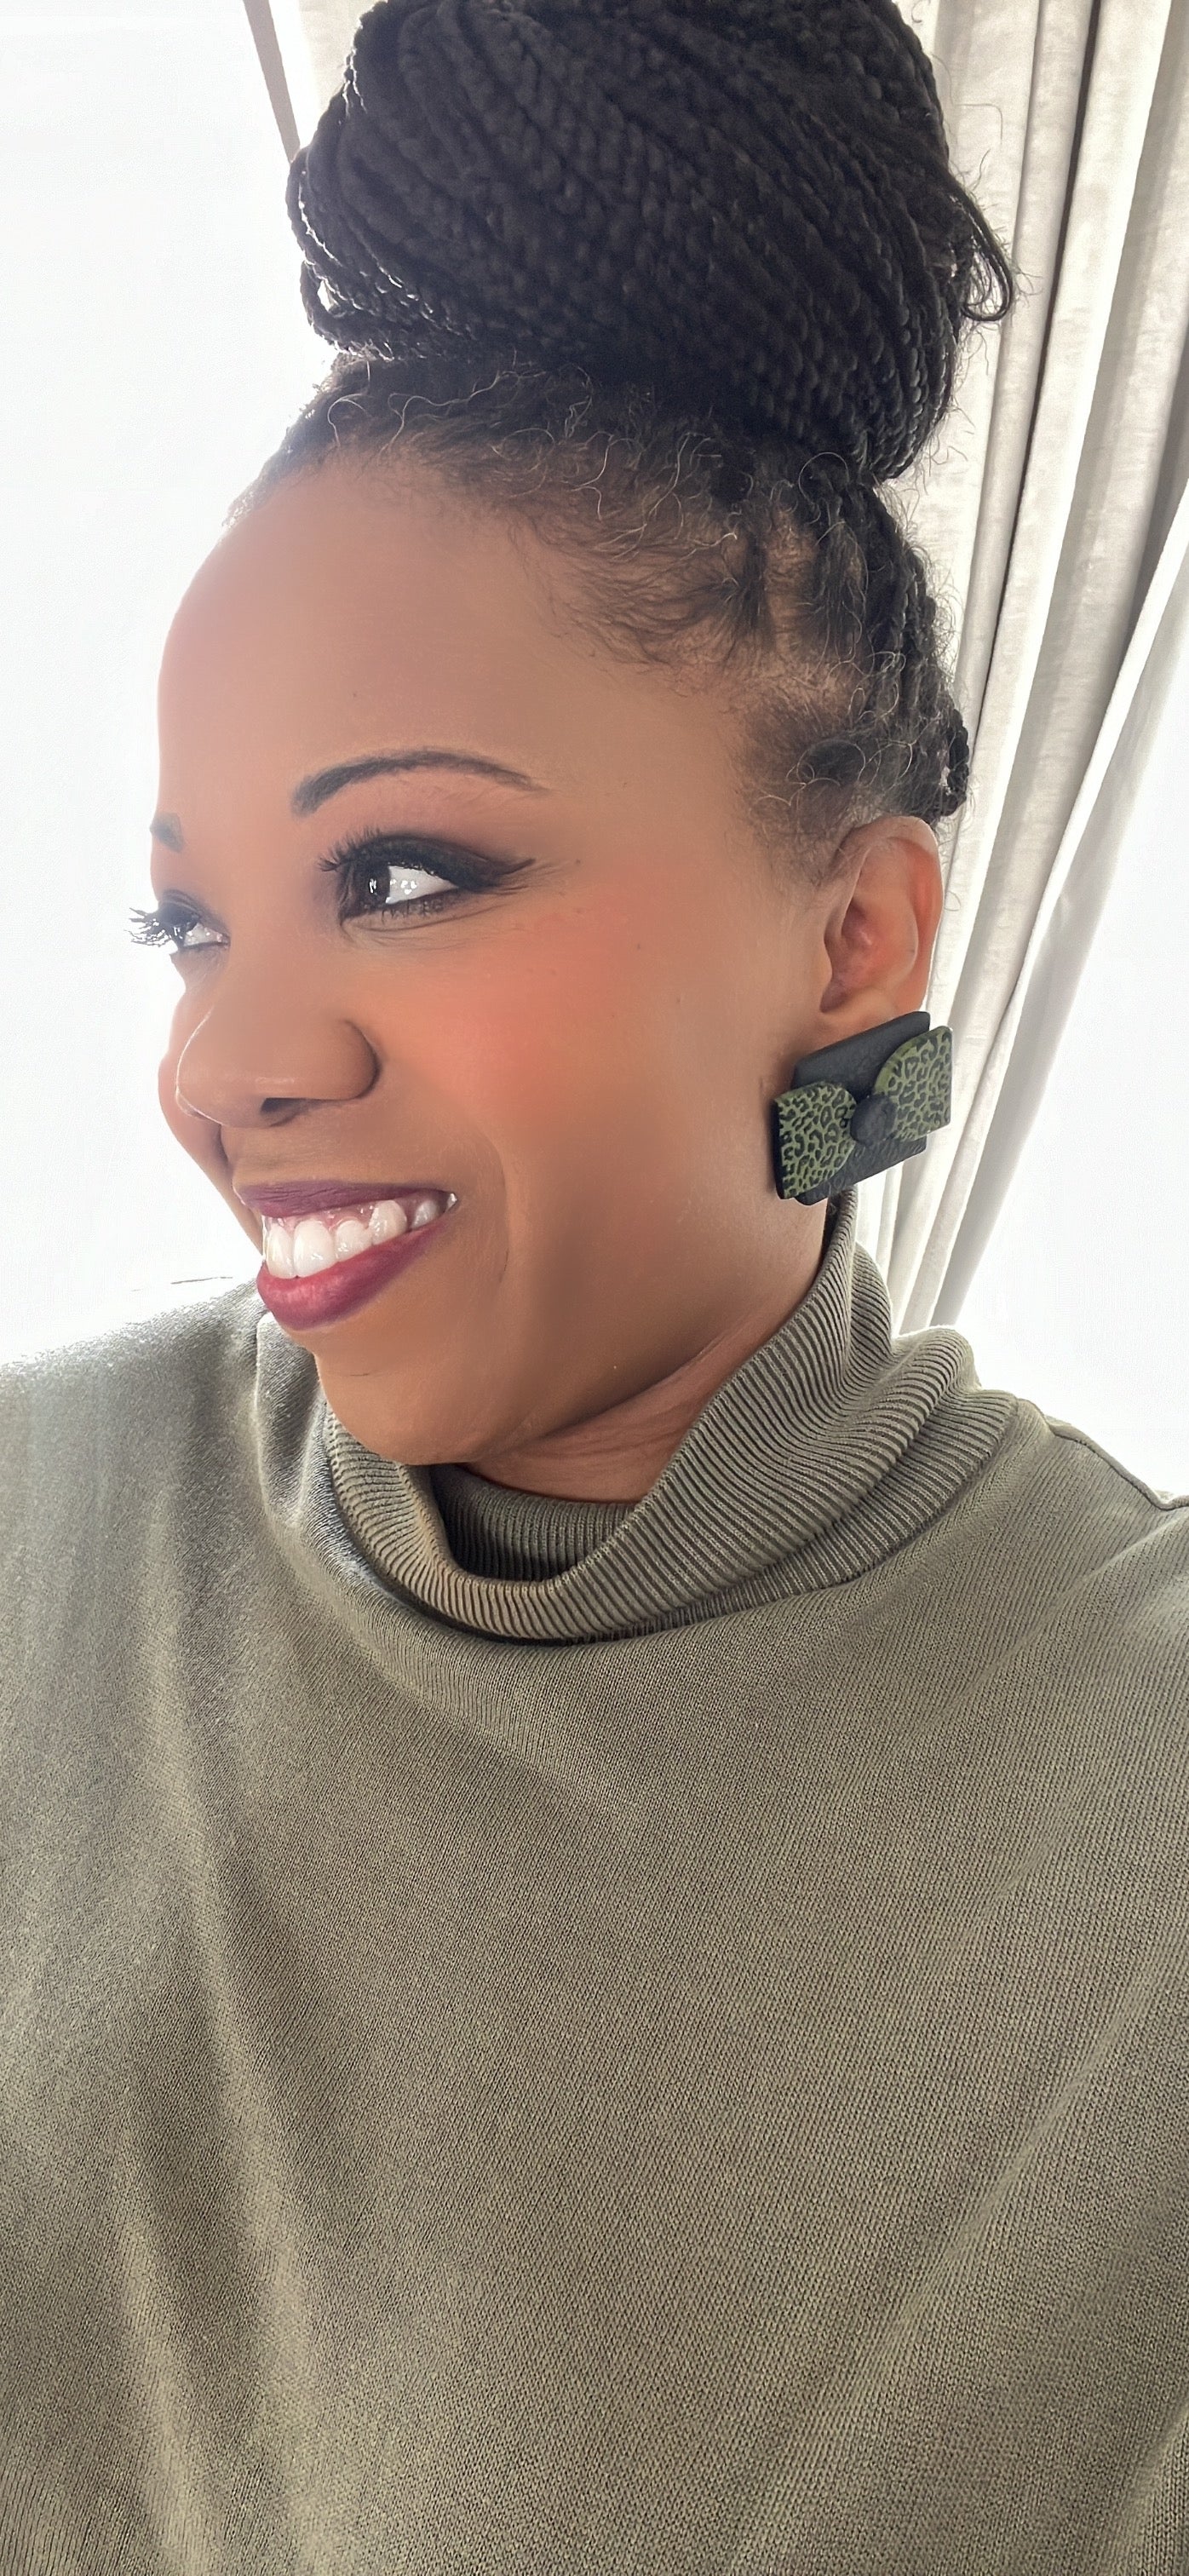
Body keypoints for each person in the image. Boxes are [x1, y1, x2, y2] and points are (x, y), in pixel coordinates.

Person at [2, 1, 1186, 2568]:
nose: (227, 1065)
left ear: (855, 942)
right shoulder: (33, 1522)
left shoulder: (1145, 1816)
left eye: (407, 876)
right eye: (193, 921)